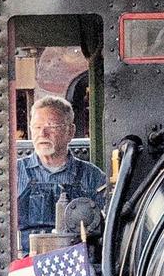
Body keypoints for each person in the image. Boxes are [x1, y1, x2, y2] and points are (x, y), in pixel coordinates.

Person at [14, 92, 104, 237]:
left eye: (52, 126)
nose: (43, 133)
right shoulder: (14, 173)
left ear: (70, 132)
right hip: (26, 257)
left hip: (77, 257)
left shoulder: (92, 177)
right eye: (37, 127)